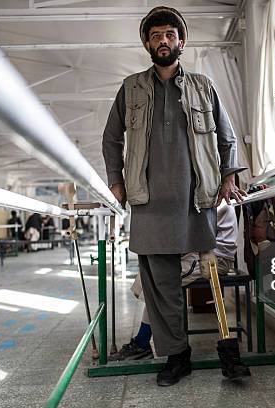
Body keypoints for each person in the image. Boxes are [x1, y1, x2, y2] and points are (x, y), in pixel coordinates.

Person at [103, 6, 248, 386]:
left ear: (180, 41)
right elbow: (111, 137)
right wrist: (116, 181)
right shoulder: (132, 87)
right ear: (147, 44)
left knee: (208, 271)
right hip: (148, 203)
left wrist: (230, 175)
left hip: (196, 199)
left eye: (169, 34)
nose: (162, 41)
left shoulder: (202, 85)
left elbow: (226, 135)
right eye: (155, 36)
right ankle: (177, 356)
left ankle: (227, 352)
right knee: (161, 287)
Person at [111, 201, 239, 361]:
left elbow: (195, 233)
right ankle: (146, 339)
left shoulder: (214, 198)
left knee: (160, 283)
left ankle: (142, 342)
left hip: (215, 257)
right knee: (147, 280)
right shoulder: (199, 193)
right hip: (195, 252)